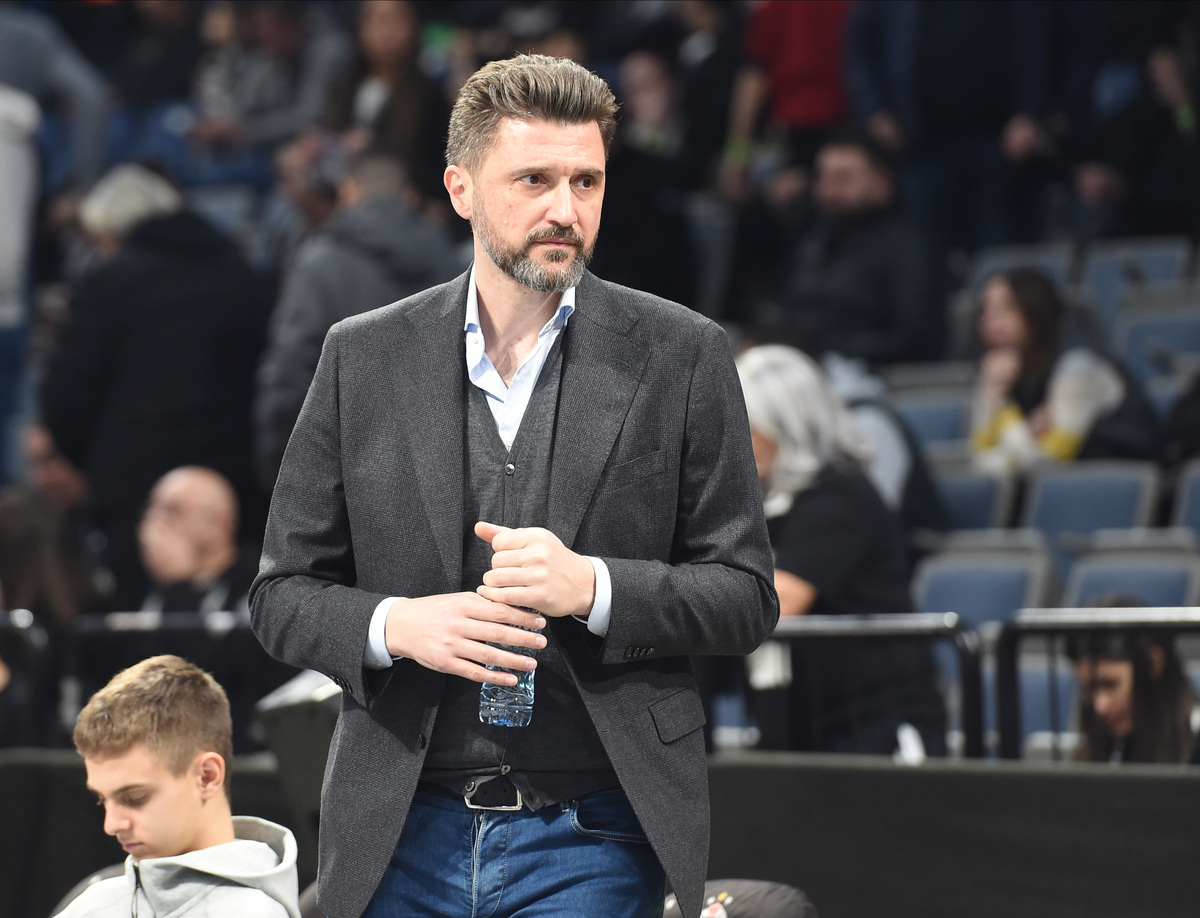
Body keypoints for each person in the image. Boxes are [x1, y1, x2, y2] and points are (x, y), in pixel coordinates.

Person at [250, 54, 778, 918]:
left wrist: (594, 587)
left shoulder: (682, 352)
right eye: (534, 179)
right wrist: (398, 624)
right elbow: (280, 595)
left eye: (586, 181)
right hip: (397, 830)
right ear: (460, 188)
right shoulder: (362, 354)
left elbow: (746, 596)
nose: (565, 210)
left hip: (595, 833)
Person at [39, 164, 271, 609]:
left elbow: (64, 400)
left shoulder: (107, 283)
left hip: (133, 498)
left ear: (117, 230)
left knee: (141, 639)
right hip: (234, 491)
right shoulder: (242, 276)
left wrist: (95, 467)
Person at [735, 344, 946, 756]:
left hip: (876, 724)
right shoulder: (766, 503)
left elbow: (774, 601)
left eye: (745, 423)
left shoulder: (838, 496)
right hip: (809, 723)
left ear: (785, 425)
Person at [254, 150, 462, 489]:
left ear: (347, 190)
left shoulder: (320, 263)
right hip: (442, 482)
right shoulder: (455, 263)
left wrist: (279, 476)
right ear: (411, 195)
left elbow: (290, 376)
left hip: (344, 481)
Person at [55, 654, 300, 917]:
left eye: (135, 797)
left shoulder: (252, 912)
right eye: (102, 800)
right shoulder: (93, 902)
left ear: (207, 777)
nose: (111, 825)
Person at [969, 267, 1160, 476]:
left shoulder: (1079, 367)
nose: (990, 322)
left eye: (1006, 308)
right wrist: (998, 398)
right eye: (985, 310)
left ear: (1035, 310)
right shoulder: (999, 373)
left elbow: (1045, 466)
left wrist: (1001, 409)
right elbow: (980, 461)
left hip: (1115, 486)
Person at [783, 132, 949, 365]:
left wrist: (826, 349)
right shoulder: (813, 240)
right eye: (824, 177)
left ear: (883, 181)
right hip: (804, 369)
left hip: (875, 380)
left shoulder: (909, 245)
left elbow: (914, 339)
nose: (830, 191)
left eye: (844, 177)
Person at [1068, 604, 1200, 764]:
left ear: (1154, 663)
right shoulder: (1106, 748)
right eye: (1089, 688)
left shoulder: (1194, 740)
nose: (1100, 706)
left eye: (1110, 684)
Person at [138, 466, 257, 616]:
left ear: (218, 526)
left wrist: (180, 586)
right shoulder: (155, 586)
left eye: (173, 511)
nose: (154, 525)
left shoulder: (257, 590)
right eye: (151, 510)